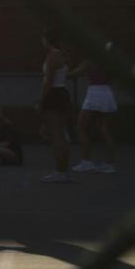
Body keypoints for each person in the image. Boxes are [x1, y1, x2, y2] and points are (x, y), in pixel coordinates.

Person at [72, 46, 118, 174]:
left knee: (81, 127)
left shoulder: (89, 61)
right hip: (107, 92)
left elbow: (74, 74)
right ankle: (109, 165)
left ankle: (86, 162)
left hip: (94, 93)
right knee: (105, 130)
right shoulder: (109, 62)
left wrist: (60, 73)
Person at [37, 29, 74, 183]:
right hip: (62, 93)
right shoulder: (62, 54)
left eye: (43, 39)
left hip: (53, 94)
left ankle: (60, 172)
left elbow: (49, 81)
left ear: (46, 39)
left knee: (56, 135)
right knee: (61, 134)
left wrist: (40, 100)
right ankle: (63, 171)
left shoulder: (52, 55)